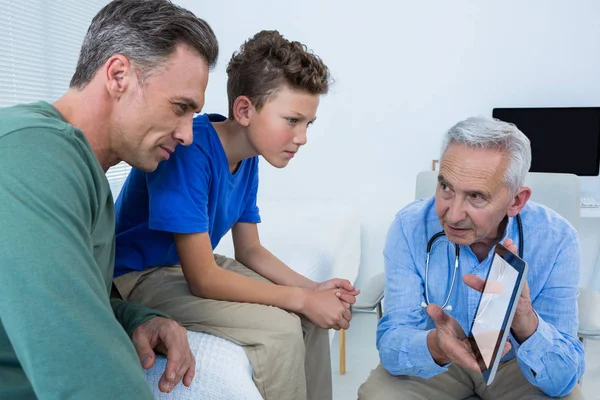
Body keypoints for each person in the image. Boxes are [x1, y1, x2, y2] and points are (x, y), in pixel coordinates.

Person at [112, 30, 359, 400]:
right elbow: (202, 279)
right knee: (279, 331)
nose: (303, 137)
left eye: (308, 124)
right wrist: (299, 299)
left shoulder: (248, 158)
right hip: (139, 276)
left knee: (309, 316)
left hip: (188, 265)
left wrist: (311, 290)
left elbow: (251, 251)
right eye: (292, 120)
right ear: (244, 110)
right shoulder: (189, 149)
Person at [0, 1, 219, 398]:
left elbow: (63, 305)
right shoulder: (31, 154)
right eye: (180, 108)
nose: (188, 134)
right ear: (119, 75)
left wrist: (137, 317)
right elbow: (77, 367)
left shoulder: (79, 169)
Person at [358, 116, 585, 399]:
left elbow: (563, 378)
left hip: (516, 362)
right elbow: (392, 343)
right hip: (438, 360)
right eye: (446, 188)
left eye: (476, 196)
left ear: (516, 201)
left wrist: (525, 321)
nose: (452, 214)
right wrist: (437, 347)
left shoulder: (557, 239)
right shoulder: (410, 226)